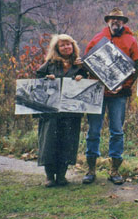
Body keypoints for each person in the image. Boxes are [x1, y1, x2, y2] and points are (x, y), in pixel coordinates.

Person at [82, 7, 138, 185]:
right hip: (97, 92)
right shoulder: (97, 39)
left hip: (118, 95)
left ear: (123, 22)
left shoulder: (131, 40)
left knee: (117, 131)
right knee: (93, 131)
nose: (116, 22)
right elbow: (87, 64)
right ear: (108, 21)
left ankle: (114, 169)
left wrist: (124, 88)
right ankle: (91, 169)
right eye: (113, 19)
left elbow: (135, 68)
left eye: (119, 19)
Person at [36, 34, 87, 187]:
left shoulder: (79, 64)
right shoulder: (50, 64)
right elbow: (38, 77)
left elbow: (88, 83)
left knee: (67, 141)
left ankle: (62, 176)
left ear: (73, 46)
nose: (66, 47)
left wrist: (81, 77)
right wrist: (47, 78)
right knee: (49, 142)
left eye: (68, 44)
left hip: (70, 113)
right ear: (57, 48)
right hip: (51, 112)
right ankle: (50, 177)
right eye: (62, 45)